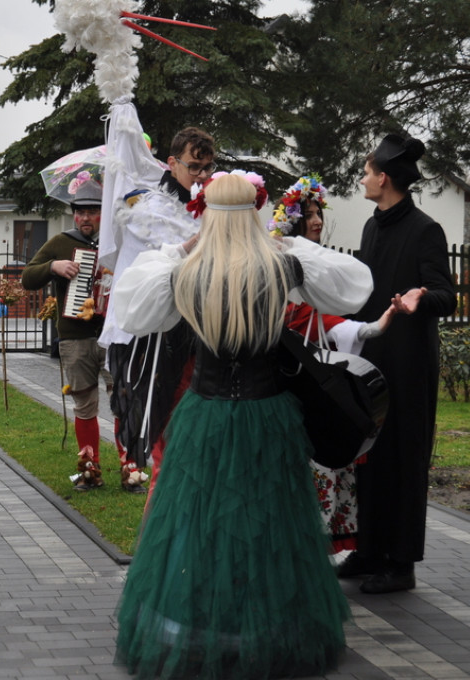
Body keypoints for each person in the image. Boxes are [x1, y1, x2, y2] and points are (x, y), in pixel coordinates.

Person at [112, 172, 372, 678]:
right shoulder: (282, 266)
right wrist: (287, 241)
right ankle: (268, 630)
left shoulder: (185, 271)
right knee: (268, 521)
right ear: (255, 212)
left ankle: (199, 628)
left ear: (205, 214)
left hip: (204, 414)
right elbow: (355, 283)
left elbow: (131, 308)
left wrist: (177, 251)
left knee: (200, 523)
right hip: (267, 413)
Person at [337, 134, 457, 594]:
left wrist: (421, 297)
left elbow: (447, 295)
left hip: (408, 367)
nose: (363, 179)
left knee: (404, 460)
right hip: (370, 360)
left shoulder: (425, 230)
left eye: (367, 172)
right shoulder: (372, 227)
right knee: (369, 454)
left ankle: (400, 563)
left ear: (384, 178)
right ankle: (368, 550)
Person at [269, 174, 395, 555]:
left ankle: (324, 551)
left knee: (332, 463)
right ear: (292, 221)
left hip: (324, 382)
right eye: (308, 214)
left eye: (318, 212)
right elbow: (304, 317)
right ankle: (304, 555)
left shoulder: (328, 269)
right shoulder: (284, 268)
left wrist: (371, 325)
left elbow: (330, 320)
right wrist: (370, 328)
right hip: (295, 385)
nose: (317, 220)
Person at [101, 125, 215, 495]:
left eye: (207, 168)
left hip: (190, 334)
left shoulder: (200, 206)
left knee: (187, 439)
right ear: (172, 162)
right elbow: (169, 254)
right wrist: (202, 239)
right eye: (194, 166)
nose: (201, 176)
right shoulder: (146, 205)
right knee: (162, 435)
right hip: (148, 338)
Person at [21, 179, 118, 491]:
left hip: (115, 335)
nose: (85, 218)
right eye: (80, 212)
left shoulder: (117, 244)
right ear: (74, 215)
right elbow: (27, 278)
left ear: (104, 213)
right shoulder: (62, 242)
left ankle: (132, 470)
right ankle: (90, 470)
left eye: (92, 211)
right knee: (85, 404)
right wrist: (54, 266)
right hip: (76, 338)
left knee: (124, 402)